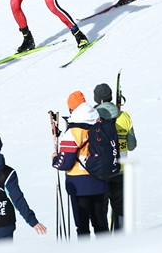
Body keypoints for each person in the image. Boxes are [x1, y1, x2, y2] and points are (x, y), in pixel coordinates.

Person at [51, 91, 109, 238]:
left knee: (83, 228)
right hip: (100, 179)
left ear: (72, 109)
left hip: (79, 185)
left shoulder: (73, 131)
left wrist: (55, 159)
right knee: (101, 225)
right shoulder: (99, 123)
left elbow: (65, 163)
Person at [93, 83, 136, 230]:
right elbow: (132, 145)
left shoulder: (93, 117)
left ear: (98, 99)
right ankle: (121, 241)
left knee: (101, 211)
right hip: (121, 169)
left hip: (101, 171)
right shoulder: (125, 117)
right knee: (121, 210)